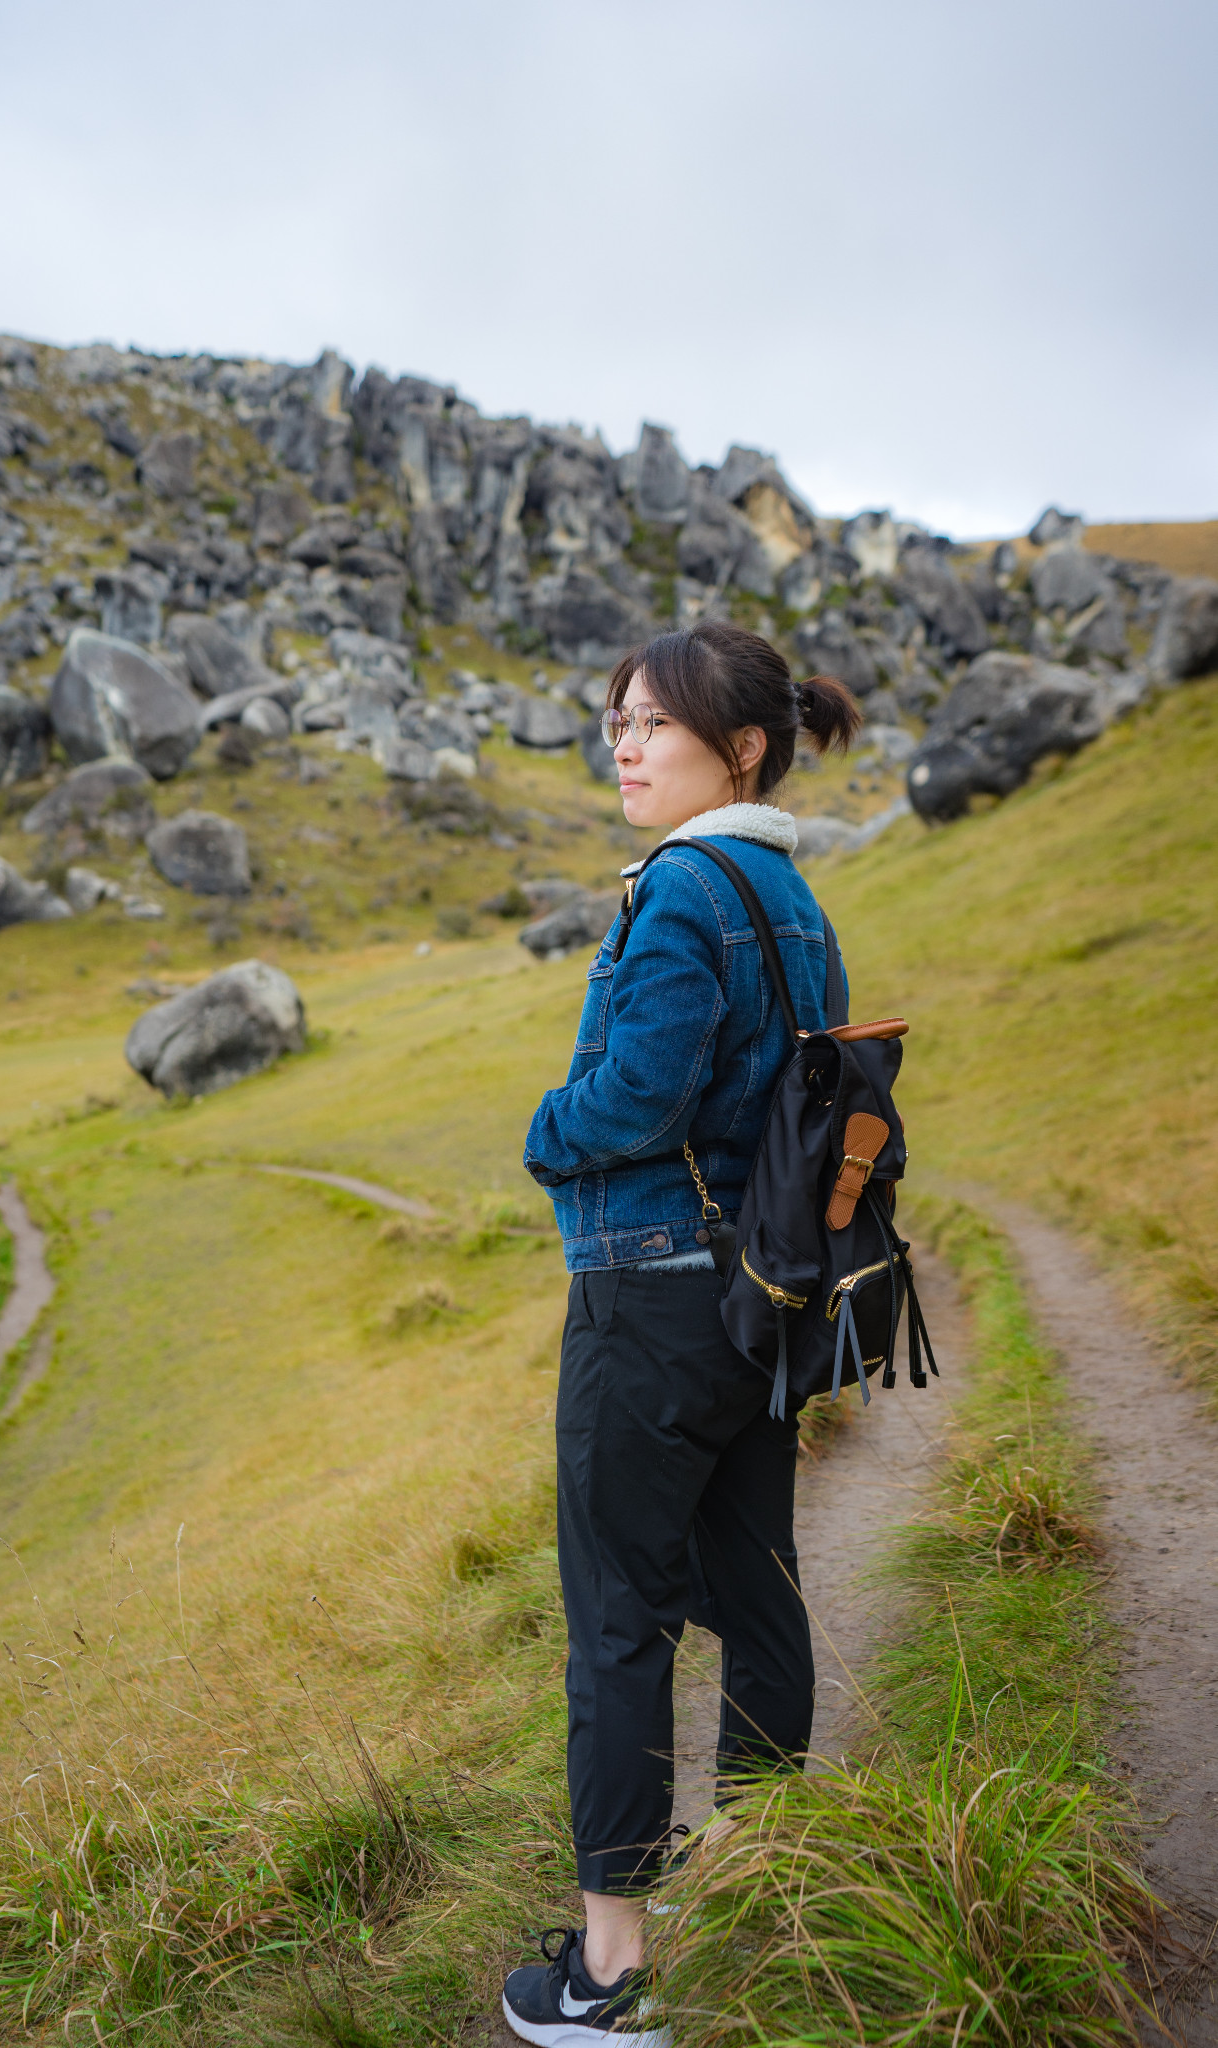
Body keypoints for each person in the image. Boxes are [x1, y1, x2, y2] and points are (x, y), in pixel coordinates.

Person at [502, 621, 861, 2047]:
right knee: (754, 1580)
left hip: (649, 1299)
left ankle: (608, 1975)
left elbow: (634, 1100)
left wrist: (542, 1133)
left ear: (743, 746)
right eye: (616, 721)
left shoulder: (679, 891)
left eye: (652, 724)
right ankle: (771, 1880)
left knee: (616, 1622)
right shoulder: (788, 892)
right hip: (756, 1295)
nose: (624, 745)